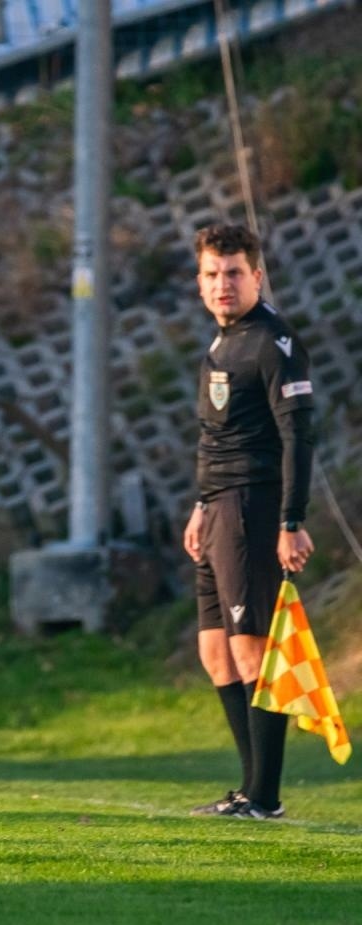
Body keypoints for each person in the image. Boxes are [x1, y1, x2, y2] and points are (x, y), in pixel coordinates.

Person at [183, 222, 316, 821]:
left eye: (233, 272)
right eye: (211, 274)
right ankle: (247, 787)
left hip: (252, 507)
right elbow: (215, 435)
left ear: (257, 276)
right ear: (199, 282)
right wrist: (198, 505)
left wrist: (292, 520)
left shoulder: (272, 342)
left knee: (253, 651)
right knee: (215, 653)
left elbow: (298, 433)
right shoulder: (219, 342)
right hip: (215, 510)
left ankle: (265, 796)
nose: (222, 284)